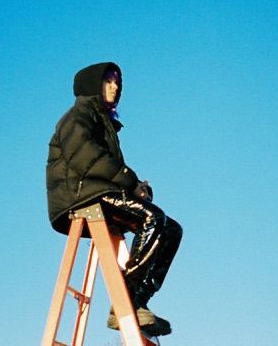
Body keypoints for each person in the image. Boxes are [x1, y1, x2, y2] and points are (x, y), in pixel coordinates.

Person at [46, 62, 182, 337]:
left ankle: (139, 299)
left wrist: (135, 187)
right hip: (80, 195)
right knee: (151, 218)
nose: (115, 86)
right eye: (108, 81)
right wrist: (130, 182)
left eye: (118, 82)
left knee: (171, 229)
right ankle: (126, 302)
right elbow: (88, 158)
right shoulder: (78, 116)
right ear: (93, 85)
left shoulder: (104, 122)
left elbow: (106, 166)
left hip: (99, 193)